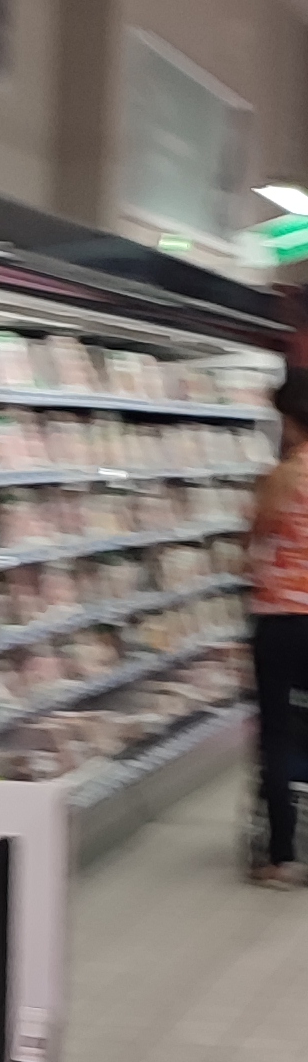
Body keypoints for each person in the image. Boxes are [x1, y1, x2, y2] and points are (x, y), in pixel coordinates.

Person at [247, 367, 308, 881]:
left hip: (282, 619)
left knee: (277, 732)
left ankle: (280, 854)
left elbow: (256, 537)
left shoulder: (284, 475)